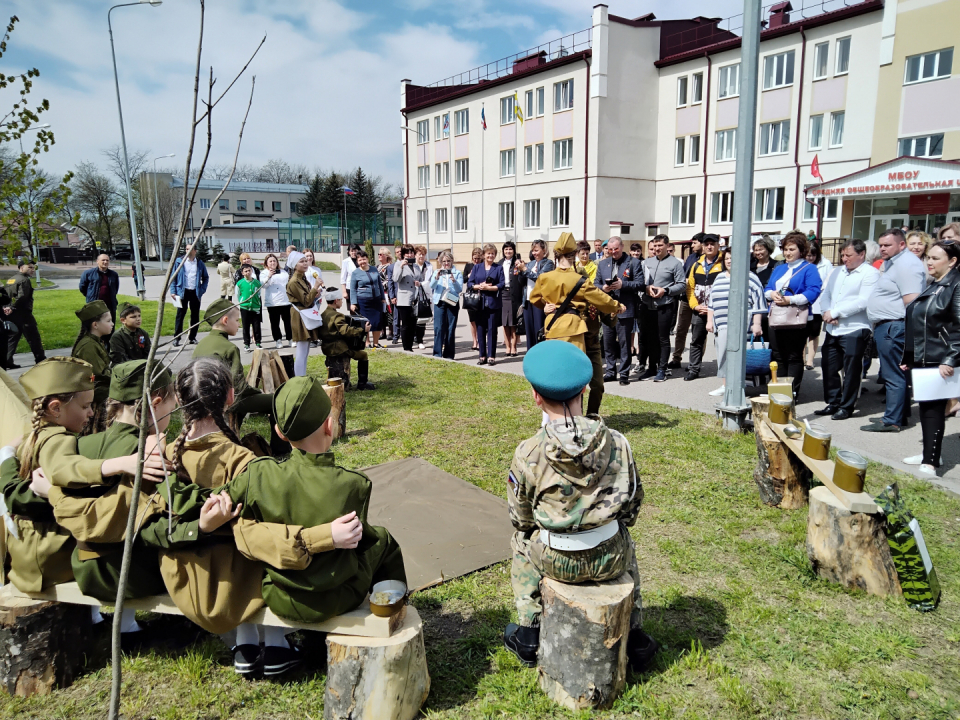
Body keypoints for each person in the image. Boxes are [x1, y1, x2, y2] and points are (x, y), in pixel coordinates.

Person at [166, 356, 336, 676]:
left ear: (179, 398)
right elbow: (267, 531)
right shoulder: (240, 459)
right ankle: (275, 646)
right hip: (229, 580)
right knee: (269, 537)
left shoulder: (164, 453)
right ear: (231, 397)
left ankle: (244, 646)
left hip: (183, 576)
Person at [502, 340, 657, 672]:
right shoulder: (619, 441)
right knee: (626, 539)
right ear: (586, 388)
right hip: (611, 557)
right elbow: (632, 505)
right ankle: (635, 632)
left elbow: (521, 518)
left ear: (535, 396)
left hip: (556, 560)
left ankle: (529, 630)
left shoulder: (529, 452)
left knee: (520, 542)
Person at [220, 375, 406, 629]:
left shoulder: (258, 475)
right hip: (339, 598)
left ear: (279, 433)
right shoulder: (353, 484)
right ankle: (391, 607)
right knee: (383, 540)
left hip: (280, 595)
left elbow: (216, 498)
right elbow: (360, 541)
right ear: (330, 426)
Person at [1, 357, 163, 593]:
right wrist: (118, 464)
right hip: (49, 558)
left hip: (29, 552)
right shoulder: (56, 438)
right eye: (85, 406)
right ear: (56, 408)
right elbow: (62, 468)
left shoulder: (37, 432)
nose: (90, 413)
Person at [530, 232, 623, 417]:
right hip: (573, 330)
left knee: (556, 375)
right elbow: (600, 298)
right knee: (576, 378)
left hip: (553, 329)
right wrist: (617, 305)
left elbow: (534, 298)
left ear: (556, 256)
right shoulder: (579, 280)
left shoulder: (544, 278)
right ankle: (578, 417)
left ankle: (557, 416)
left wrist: (547, 306)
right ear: (573, 256)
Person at [193, 299, 289, 455]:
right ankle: (281, 450)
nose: (239, 325)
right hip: (226, 400)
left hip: (201, 398)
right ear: (225, 320)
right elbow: (238, 387)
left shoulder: (201, 344)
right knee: (276, 401)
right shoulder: (229, 348)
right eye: (236, 321)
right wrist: (257, 392)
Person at [900, 241, 960, 475]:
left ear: (952, 261)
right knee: (926, 407)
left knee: (933, 409)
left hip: (941, 358)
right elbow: (920, 322)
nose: (929, 262)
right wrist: (910, 356)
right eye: (928, 258)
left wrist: (951, 357)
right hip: (926, 357)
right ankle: (930, 454)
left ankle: (931, 462)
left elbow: (958, 326)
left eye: (936, 258)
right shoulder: (936, 284)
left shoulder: (956, 284)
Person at [863, 228, 927, 433]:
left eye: (887, 245)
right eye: (880, 245)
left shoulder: (907, 264)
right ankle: (899, 415)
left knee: (893, 375)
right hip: (889, 325)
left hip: (894, 326)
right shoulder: (895, 262)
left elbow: (913, 301)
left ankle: (892, 420)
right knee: (896, 374)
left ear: (901, 244)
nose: (882, 248)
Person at [814, 239, 879, 420]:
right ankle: (833, 402)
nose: (844, 259)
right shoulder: (837, 271)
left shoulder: (870, 273)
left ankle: (847, 405)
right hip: (833, 328)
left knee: (851, 370)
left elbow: (863, 301)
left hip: (855, 328)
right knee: (829, 366)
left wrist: (836, 312)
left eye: (848, 255)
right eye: (842, 255)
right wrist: (827, 313)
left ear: (861, 255)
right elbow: (826, 293)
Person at [764, 232, 823, 397]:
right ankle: (779, 391)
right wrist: (772, 295)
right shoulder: (780, 268)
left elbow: (813, 291)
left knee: (794, 356)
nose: (787, 253)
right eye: (785, 249)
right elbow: (767, 288)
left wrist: (790, 300)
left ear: (801, 250)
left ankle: (791, 393)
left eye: (791, 249)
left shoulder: (809, 268)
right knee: (777, 355)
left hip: (797, 318)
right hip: (777, 317)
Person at [705, 249, 766, 397]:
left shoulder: (750, 278)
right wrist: (709, 321)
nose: (729, 261)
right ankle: (726, 386)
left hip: (743, 326)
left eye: (733, 258)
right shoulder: (719, 278)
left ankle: (741, 386)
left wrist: (757, 324)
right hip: (721, 325)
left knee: (742, 357)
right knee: (723, 355)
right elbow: (711, 302)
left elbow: (759, 303)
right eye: (727, 258)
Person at [594, 237, 643, 385]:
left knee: (624, 343)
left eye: (616, 249)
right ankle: (610, 371)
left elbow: (640, 284)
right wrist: (603, 288)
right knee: (608, 343)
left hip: (625, 309)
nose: (613, 252)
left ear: (622, 246)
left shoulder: (633, 262)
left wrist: (623, 285)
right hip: (607, 310)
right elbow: (595, 283)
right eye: (610, 249)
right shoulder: (603, 264)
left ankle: (624, 373)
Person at [641, 234, 686, 383]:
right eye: (655, 246)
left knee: (663, 339)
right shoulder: (647, 262)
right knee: (650, 339)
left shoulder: (675, 263)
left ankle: (662, 369)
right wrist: (645, 290)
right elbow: (640, 282)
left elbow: (681, 284)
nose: (657, 249)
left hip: (665, 305)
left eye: (660, 245)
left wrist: (666, 291)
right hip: (648, 306)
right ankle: (651, 368)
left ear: (667, 246)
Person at [684, 234, 723, 382]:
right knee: (696, 341)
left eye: (712, 244)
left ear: (718, 245)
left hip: (719, 310)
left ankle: (724, 370)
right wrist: (695, 306)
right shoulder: (697, 265)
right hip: (700, 310)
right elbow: (690, 288)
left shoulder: (724, 263)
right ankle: (694, 369)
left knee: (721, 341)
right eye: (706, 244)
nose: (709, 247)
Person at [72, 300, 114, 432]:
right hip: (96, 393)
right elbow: (99, 375)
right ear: (95, 324)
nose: (112, 324)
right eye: (108, 321)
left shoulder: (94, 341)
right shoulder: (88, 346)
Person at [321, 288, 375, 391]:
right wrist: (363, 329)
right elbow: (345, 331)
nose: (342, 301)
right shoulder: (337, 316)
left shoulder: (323, 314)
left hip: (327, 347)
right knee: (363, 355)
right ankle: (362, 384)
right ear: (336, 300)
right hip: (339, 349)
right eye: (341, 299)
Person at [285, 253, 323, 377]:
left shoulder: (302, 277)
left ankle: (302, 375)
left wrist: (315, 293)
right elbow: (306, 300)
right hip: (299, 315)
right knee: (301, 348)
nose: (305, 263)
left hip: (304, 313)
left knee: (306, 348)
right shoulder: (294, 281)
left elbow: (308, 297)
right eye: (302, 261)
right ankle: (299, 378)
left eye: (306, 261)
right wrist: (315, 287)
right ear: (295, 265)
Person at [468, 244, 505, 366]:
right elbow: (470, 283)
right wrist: (479, 286)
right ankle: (482, 355)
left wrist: (490, 288)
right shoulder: (477, 267)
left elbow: (502, 284)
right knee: (480, 329)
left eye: (493, 253)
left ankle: (491, 356)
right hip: (479, 303)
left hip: (493, 303)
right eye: (488, 253)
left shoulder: (498, 268)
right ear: (484, 255)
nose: (490, 255)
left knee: (492, 330)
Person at [671, 232, 703, 369]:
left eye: (695, 243)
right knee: (681, 329)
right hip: (685, 298)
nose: (692, 245)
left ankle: (695, 363)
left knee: (698, 332)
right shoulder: (690, 257)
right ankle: (676, 358)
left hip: (700, 300)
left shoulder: (706, 260)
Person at [169, 243, 210, 347]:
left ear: (195, 251)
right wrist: (173, 291)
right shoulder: (179, 262)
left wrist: (202, 290)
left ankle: (192, 338)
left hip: (195, 293)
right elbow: (173, 277)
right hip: (182, 292)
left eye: (190, 249)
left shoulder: (200, 263)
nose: (187, 251)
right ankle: (177, 338)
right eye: (186, 249)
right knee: (180, 315)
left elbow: (206, 277)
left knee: (195, 316)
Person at [518, 240, 555, 351]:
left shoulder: (548, 263)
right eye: (533, 251)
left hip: (539, 301)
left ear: (544, 250)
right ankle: (530, 354)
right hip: (528, 300)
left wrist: (525, 270)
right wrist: (520, 271)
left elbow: (540, 279)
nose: (534, 253)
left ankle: (540, 354)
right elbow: (521, 282)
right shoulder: (530, 264)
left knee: (539, 330)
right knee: (529, 331)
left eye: (536, 250)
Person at [7, 259, 45, 365]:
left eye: (33, 268)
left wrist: (7, 307)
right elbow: (22, 296)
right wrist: (12, 307)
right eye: (30, 267)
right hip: (23, 314)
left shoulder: (11, 280)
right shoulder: (24, 280)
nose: (32, 270)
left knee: (13, 337)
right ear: (21, 267)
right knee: (33, 337)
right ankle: (40, 359)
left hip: (11, 315)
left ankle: (7, 360)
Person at [803, 240, 834, 370]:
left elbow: (829, 284)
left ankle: (810, 360)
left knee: (814, 333)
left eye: (813, 255)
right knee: (802, 333)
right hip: (802, 303)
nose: (810, 258)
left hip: (817, 305)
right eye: (808, 255)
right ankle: (801, 358)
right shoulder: (801, 264)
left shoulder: (825, 264)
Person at [429, 250, 463, 359]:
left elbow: (459, 289)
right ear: (440, 262)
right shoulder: (437, 272)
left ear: (452, 261)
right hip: (440, 301)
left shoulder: (457, 273)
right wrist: (436, 277)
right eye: (444, 261)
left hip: (452, 301)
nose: (446, 263)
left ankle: (449, 355)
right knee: (438, 328)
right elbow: (432, 286)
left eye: (448, 261)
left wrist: (454, 280)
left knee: (450, 328)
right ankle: (437, 354)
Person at [392, 244, 425, 353]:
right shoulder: (398, 264)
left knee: (413, 324)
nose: (409, 254)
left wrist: (419, 283)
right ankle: (406, 347)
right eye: (407, 253)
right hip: (404, 299)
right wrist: (401, 266)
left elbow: (421, 279)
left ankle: (410, 346)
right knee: (405, 324)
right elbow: (395, 278)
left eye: (411, 252)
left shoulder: (416, 266)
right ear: (402, 254)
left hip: (415, 298)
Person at [349, 250, 385, 349]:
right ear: (357, 261)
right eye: (360, 260)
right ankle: (367, 342)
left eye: (364, 259)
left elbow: (380, 285)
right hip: (363, 301)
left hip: (376, 300)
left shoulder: (374, 269)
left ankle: (376, 343)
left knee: (377, 322)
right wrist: (353, 303)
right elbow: (353, 289)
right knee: (366, 323)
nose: (362, 262)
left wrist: (383, 297)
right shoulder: (355, 273)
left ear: (367, 259)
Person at [261, 253, 292, 350]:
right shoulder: (264, 273)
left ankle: (290, 338)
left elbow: (287, 284)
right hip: (273, 302)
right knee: (275, 322)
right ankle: (278, 339)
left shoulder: (283, 272)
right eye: (270, 261)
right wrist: (269, 276)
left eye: (274, 261)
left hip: (285, 301)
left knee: (288, 321)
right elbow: (264, 285)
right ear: (266, 263)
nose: (272, 263)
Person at [79, 253, 120, 322]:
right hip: (94, 304)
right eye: (103, 260)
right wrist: (90, 295)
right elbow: (82, 287)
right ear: (97, 261)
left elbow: (115, 288)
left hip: (109, 304)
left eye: (107, 260)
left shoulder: (113, 274)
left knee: (110, 325)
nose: (105, 262)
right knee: (95, 325)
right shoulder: (88, 273)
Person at [500, 241, 523, 357]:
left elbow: (523, 278)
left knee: (513, 322)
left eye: (510, 249)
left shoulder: (518, 263)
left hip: (515, 294)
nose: (508, 251)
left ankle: (514, 347)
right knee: (505, 322)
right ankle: (507, 346)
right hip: (503, 293)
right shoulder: (500, 263)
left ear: (514, 251)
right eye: (506, 249)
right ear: (503, 251)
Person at [236, 264, 263, 352]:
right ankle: (246, 344)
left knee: (256, 326)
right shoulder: (240, 283)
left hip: (255, 307)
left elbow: (259, 294)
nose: (248, 273)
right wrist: (242, 301)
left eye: (249, 271)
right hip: (245, 307)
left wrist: (257, 303)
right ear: (242, 273)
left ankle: (258, 342)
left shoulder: (257, 282)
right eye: (246, 271)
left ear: (252, 271)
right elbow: (237, 293)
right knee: (246, 326)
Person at [463, 247, 483, 350]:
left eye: (478, 258)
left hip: (481, 294)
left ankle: (480, 340)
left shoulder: (484, 266)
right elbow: (463, 280)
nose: (476, 260)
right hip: (471, 296)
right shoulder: (469, 265)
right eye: (474, 258)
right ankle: (474, 341)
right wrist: (469, 275)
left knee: (480, 319)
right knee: (472, 320)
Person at [376, 249, 394, 341]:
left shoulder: (390, 267)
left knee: (389, 312)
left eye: (381, 254)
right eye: (378, 254)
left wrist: (382, 285)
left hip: (387, 293)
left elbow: (390, 279)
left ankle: (391, 332)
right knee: (381, 313)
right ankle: (383, 332)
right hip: (379, 293)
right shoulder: (377, 267)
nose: (379, 255)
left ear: (386, 256)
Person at [387, 247, 402, 344]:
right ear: (395, 254)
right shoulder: (391, 267)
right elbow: (390, 282)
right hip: (397, 295)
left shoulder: (409, 264)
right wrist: (392, 296)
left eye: (401, 251)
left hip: (407, 295)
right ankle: (396, 336)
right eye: (397, 252)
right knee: (396, 317)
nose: (399, 253)